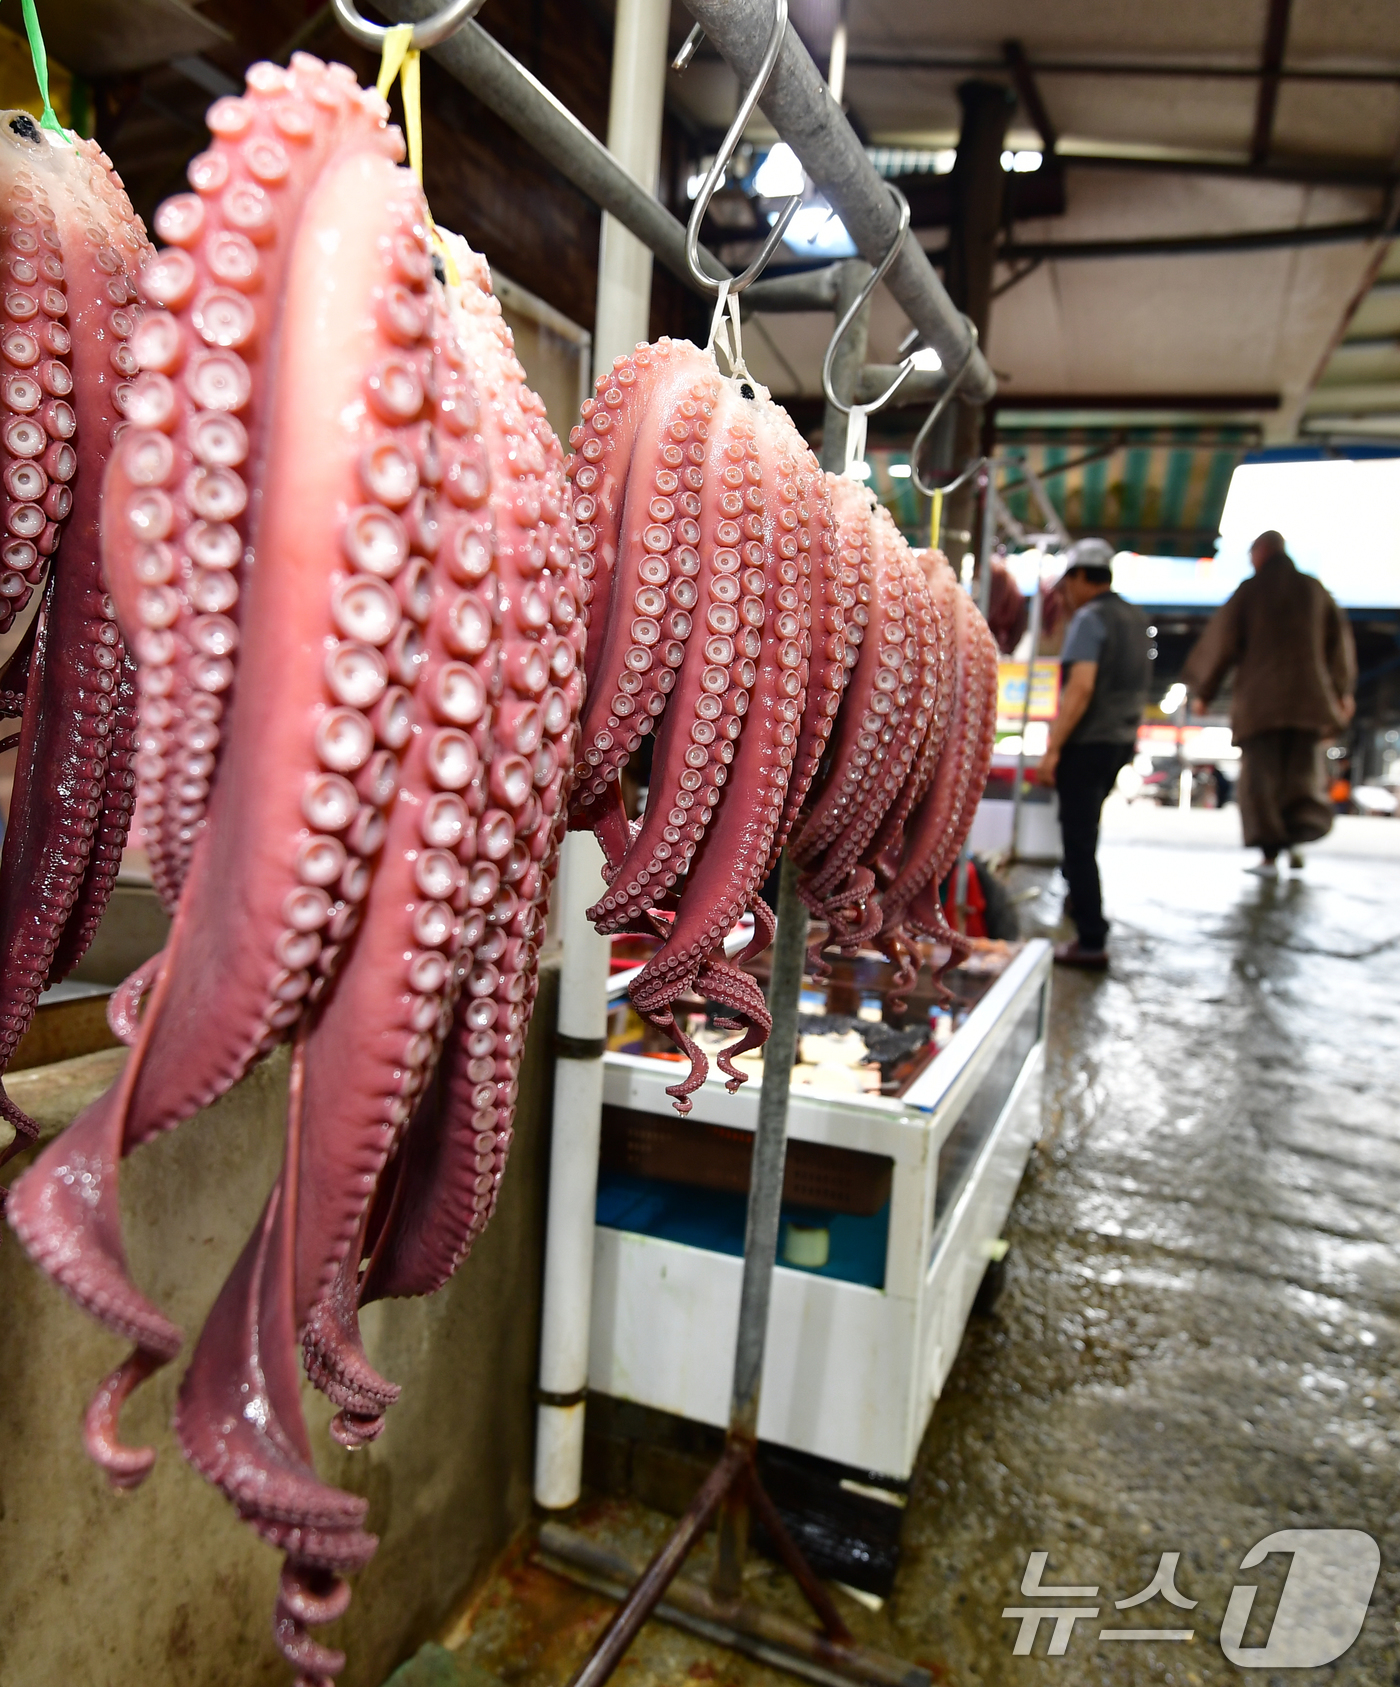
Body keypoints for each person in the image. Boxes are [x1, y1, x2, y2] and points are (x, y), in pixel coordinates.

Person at [1182, 530, 1355, 878]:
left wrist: (1203, 691)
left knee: (1261, 781)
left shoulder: (1251, 591)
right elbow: (1339, 646)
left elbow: (1222, 643)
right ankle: (1295, 840)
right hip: (1309, 702)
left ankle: (1269, 855)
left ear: (1260, 554)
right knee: (1300, 777)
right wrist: (1341, 691)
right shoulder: (1314, 590)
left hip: (1262, 704)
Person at [1035, 539, 1151, 969]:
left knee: (1077, 841)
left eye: (1067, 585)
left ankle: (1090, 940)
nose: (1064, 595)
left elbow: (1081, 687)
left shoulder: (1090, 618)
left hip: (1088, 742)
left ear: (1083, 577)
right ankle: (1077, 904)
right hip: (1120, 741)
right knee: (1088, 830)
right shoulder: (1135, 618)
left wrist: (1053, 749)